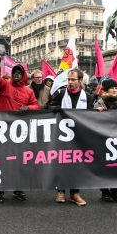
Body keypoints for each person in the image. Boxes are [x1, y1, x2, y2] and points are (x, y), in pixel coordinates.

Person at [0, 52, 41, 202]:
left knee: (20, 162)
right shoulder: (4, 86)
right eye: (15, 73)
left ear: (23, 75)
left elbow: (36, 106)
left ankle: (18, 189)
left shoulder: (29, 91)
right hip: (3, 132)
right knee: (1, 161)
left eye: (19, 73)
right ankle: (0, 190)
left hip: (20, 133)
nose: (17, 75)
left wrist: (28, 108)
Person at [46, 68, 94, 206]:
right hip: (62, 136)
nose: (70, 82)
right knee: (62, 162)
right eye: (69, 79)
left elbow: (91, 115)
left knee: (77, 165)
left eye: (73, 80)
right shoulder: (61, 93)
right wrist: (54, 108)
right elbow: (47, 106)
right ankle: (61, 191)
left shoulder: (87, 96)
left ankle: (74, 193)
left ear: (80, 81)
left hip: (79, 136)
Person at [93, 78, 117, 202]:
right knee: (104, 165)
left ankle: (115, 190)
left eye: (116, 88)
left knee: (115, 166)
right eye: (111, 88)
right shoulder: (100, 103)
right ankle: (105, 191)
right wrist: (99, 113)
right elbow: (94, 120)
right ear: (106, 90)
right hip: (104, 137)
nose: (114, 90)